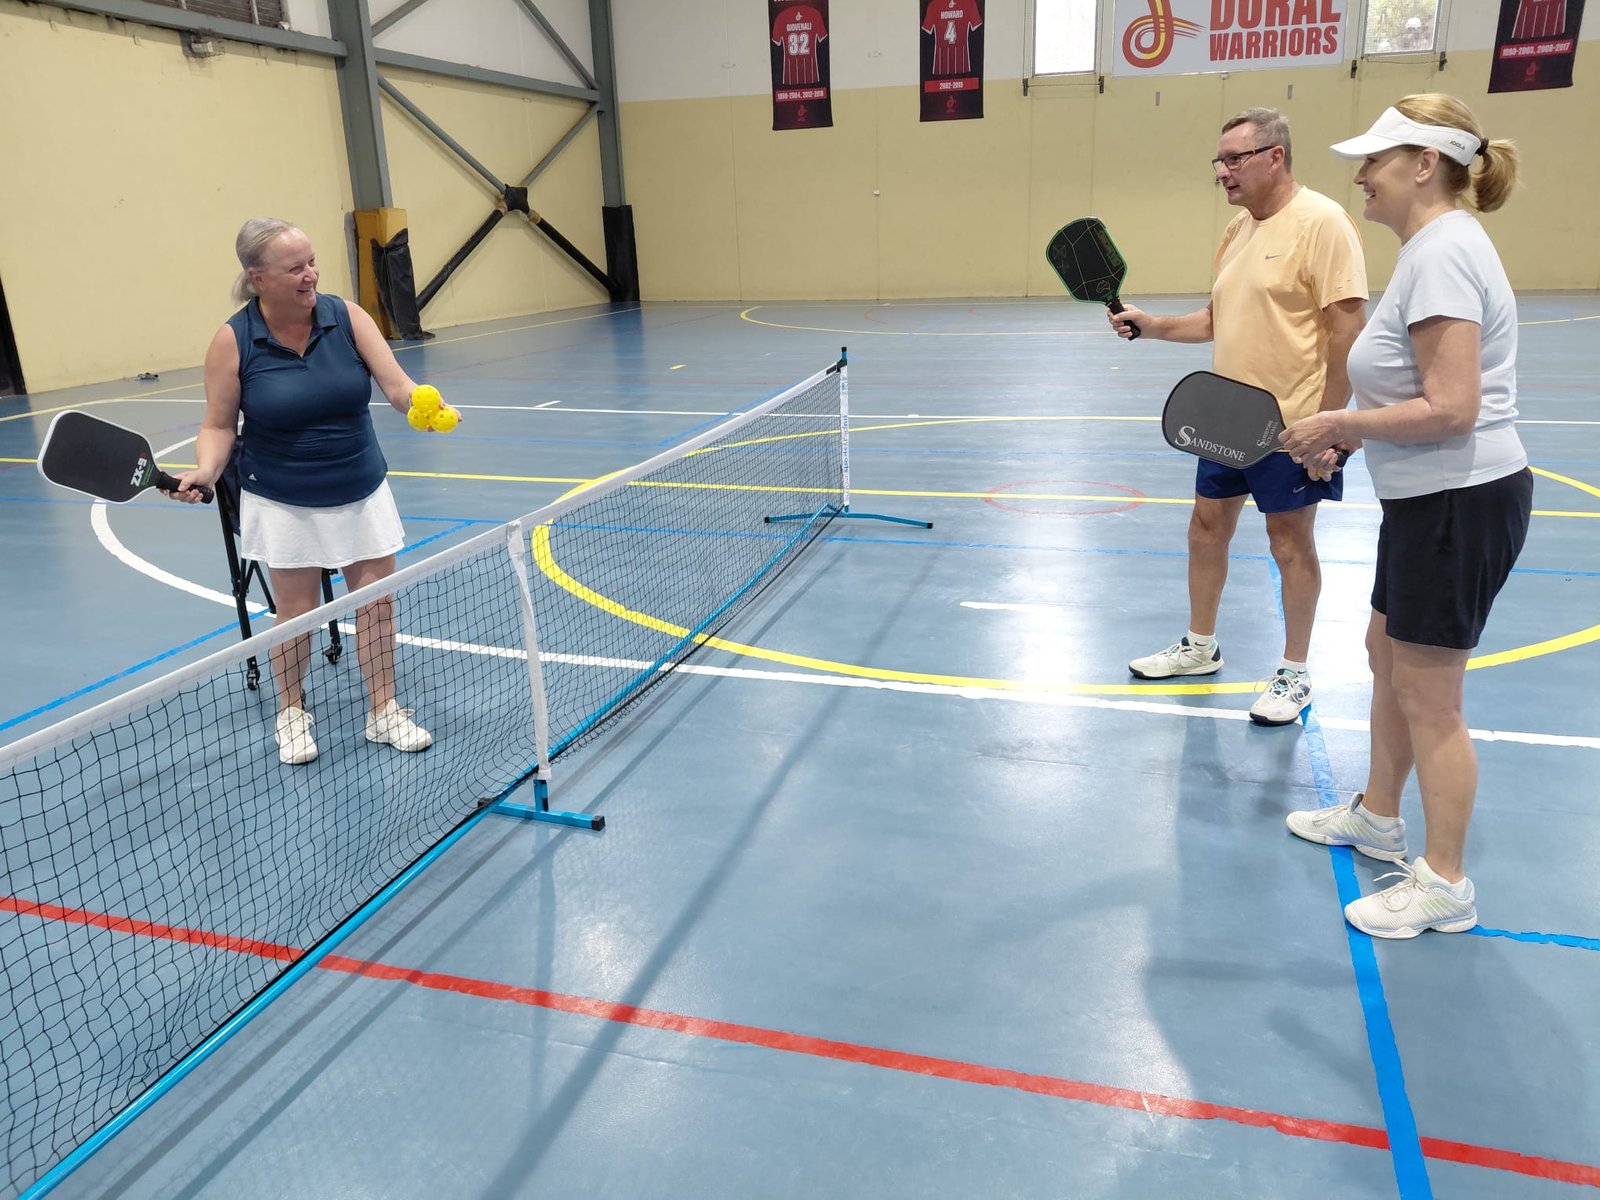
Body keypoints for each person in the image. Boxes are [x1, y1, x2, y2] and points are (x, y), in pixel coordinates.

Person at [1279, 96, 1531, 938]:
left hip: (1458, 500)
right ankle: (1379, 817)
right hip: (1427, 496)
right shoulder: (1432, 250)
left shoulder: (1445, 253)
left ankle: (1445, 884)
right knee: (1384, 649)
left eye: (1375, 161)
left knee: (1432, 697)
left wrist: (1341, 424)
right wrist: (1349, 444)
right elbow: (1412, 392)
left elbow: (1454, 406)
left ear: (1426, 163)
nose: (1359, 176)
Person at [1110, 108, 1368, 726]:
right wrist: (1154, 327)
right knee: (1205, 529)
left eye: (1234, 159)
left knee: (1289, 544)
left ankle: (1295, 672)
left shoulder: (1323, 223)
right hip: (1226, 418)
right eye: (1218, 161)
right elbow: (1217, 319)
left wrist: (1331, 426)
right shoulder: (1236, 231)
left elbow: (1347, 328)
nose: (1222, 171)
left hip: (1291, 426)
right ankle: (1200, 647)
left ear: (1274, 156)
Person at [170, 217, 446, 765]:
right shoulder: (234, 339)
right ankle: (292, 713)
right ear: (257, 278)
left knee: (376, 604)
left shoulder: (346, 316)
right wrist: (205, 470)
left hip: (360, 485)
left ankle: (383, 710)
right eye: (294, 268)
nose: (310, 274)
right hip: (282, 495)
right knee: (295, 613)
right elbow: (220, 424)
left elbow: (396, 384)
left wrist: (422, 403)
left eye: (312, 261)